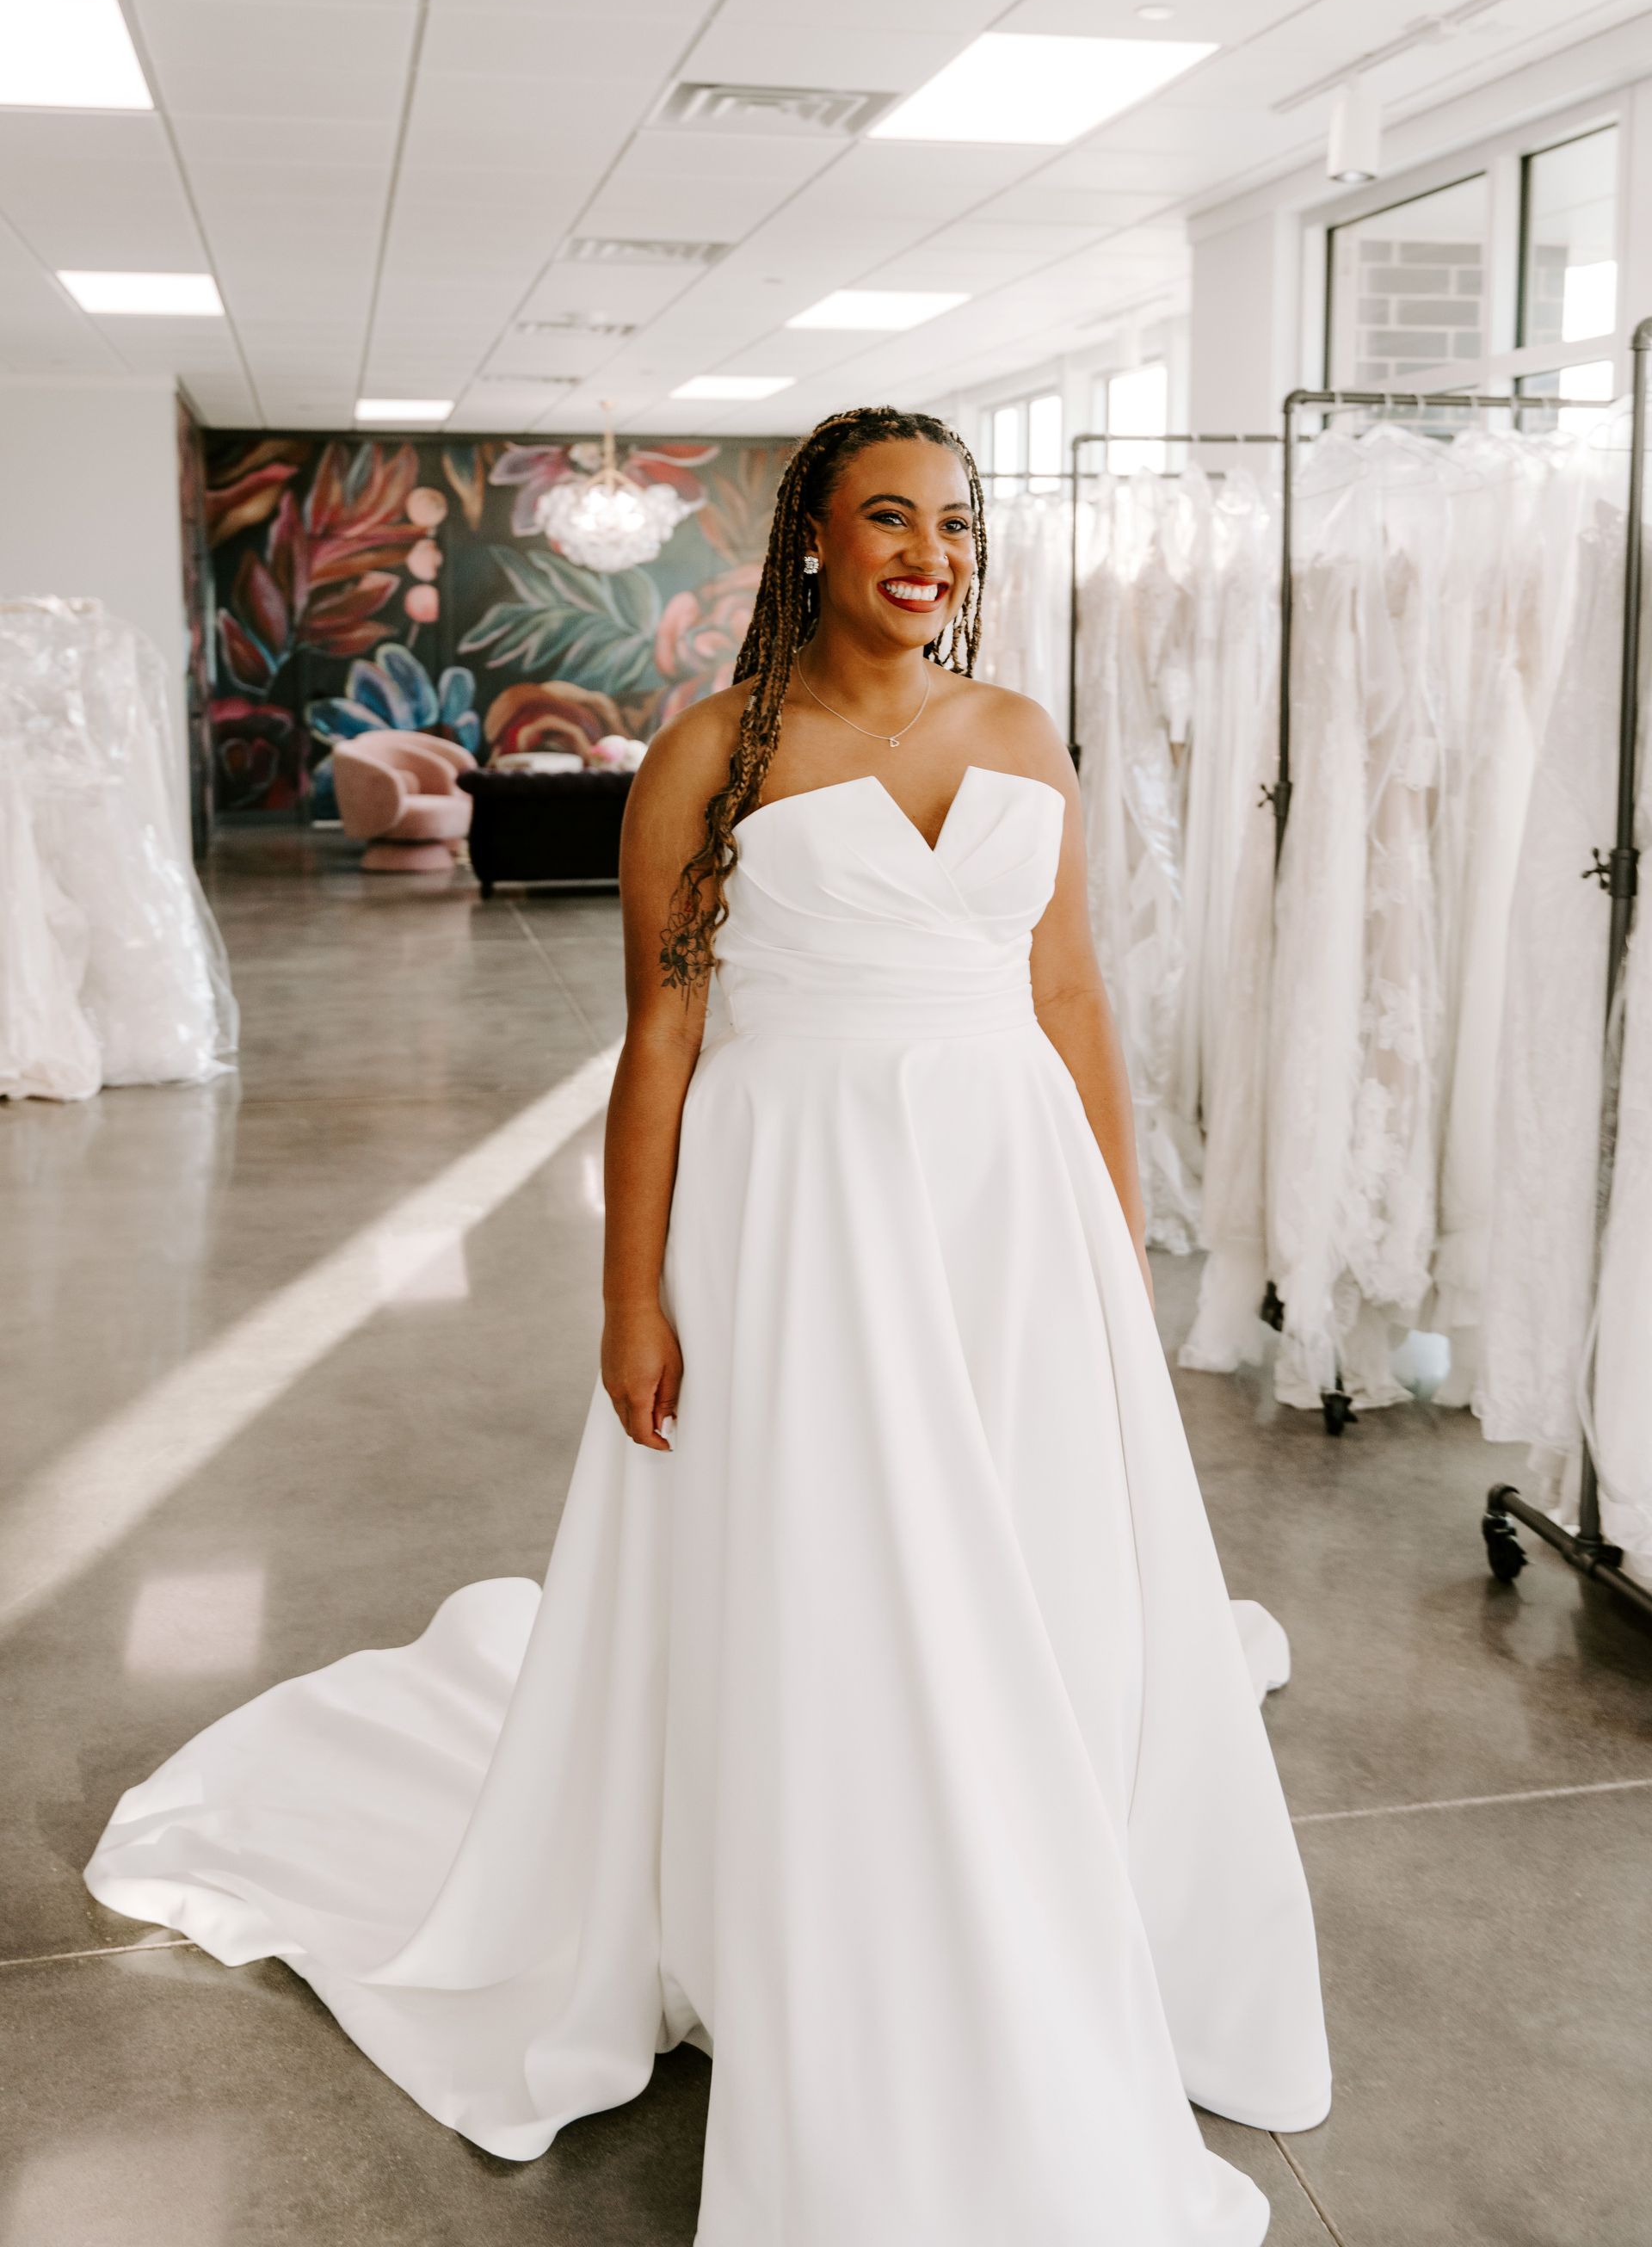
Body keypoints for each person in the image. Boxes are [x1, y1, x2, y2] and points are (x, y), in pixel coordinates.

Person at [87, 406, 1330, 2244]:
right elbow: (663, 1044)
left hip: (1009, 1207)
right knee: (840, 1562)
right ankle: (849, 1900)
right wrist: (630, 1301)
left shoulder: (1017, 734)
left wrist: (1116, 1242)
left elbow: (1071, 1000)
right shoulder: (711, 755)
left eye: (958, 526)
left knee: (1042, 1550)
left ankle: (1059, 1883)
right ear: (813, 543)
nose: (931, 553)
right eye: (889, 518)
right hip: (807, 1214)